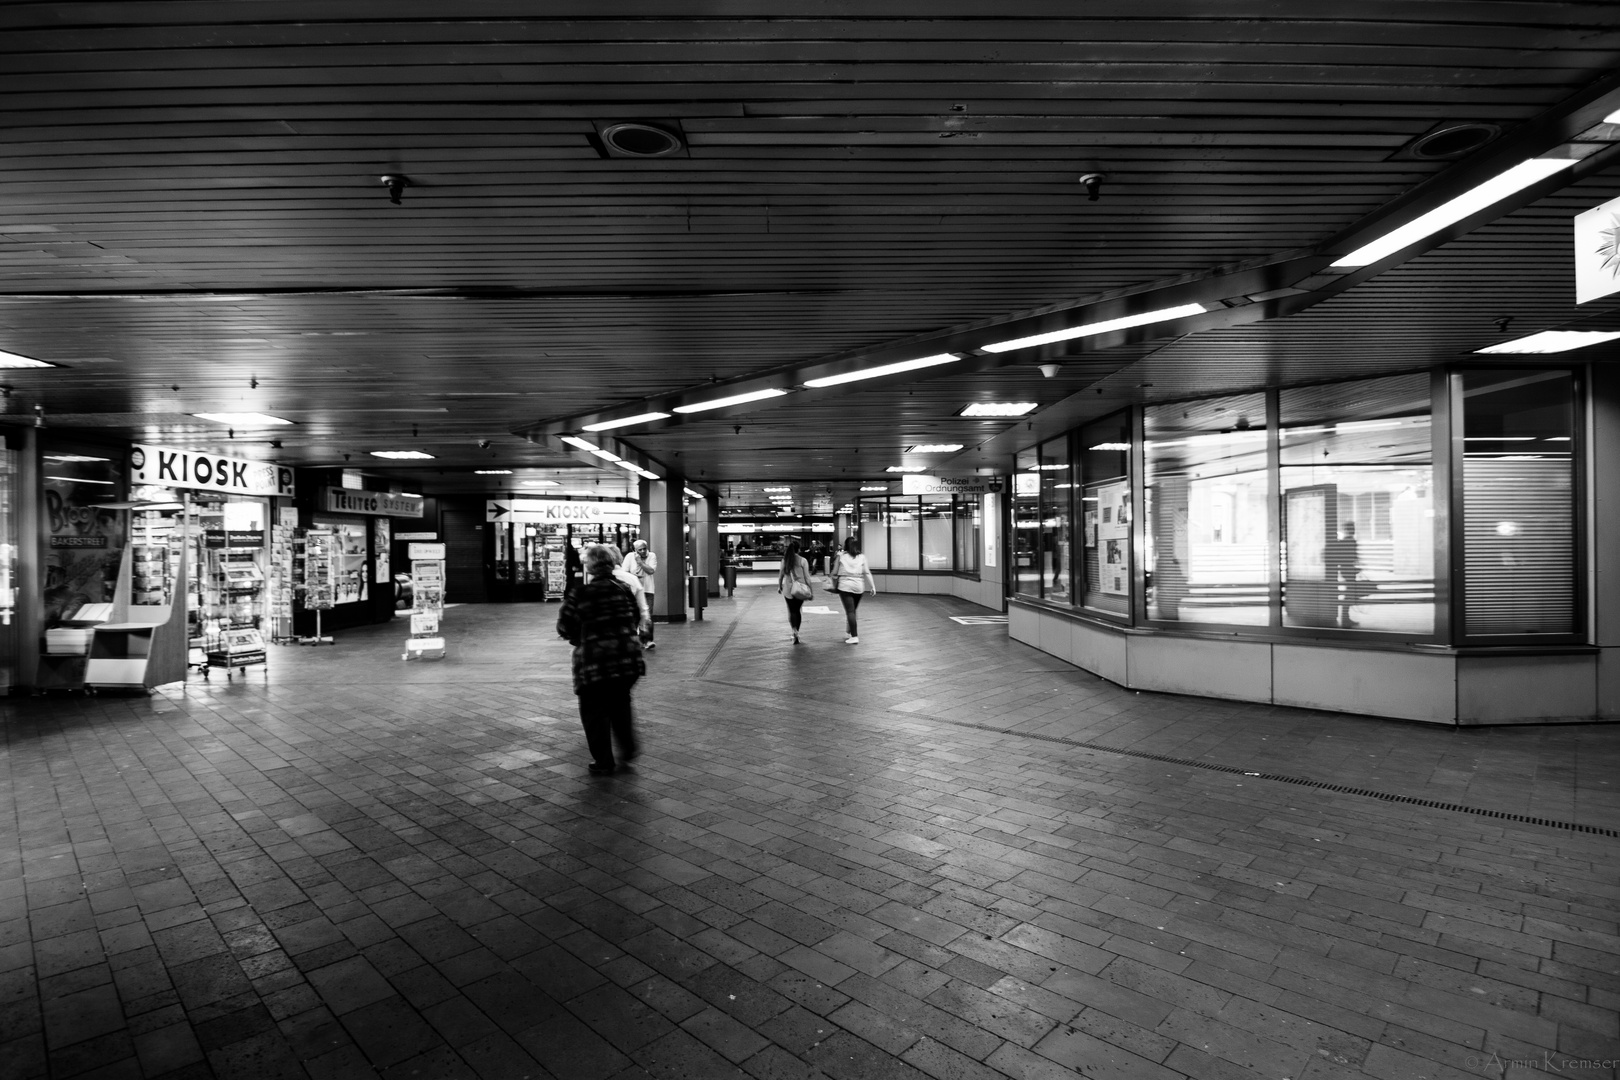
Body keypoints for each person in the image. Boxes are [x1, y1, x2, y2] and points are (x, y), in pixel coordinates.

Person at [556, 544, 644, 775]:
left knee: (594, 711)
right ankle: (628, 747)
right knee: (620, 702)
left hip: (595, 662)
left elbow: (564, 626)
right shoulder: (624, 589)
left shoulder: (580, 593)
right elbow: (635, 617)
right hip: (627, 659)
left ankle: (604, 761)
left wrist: (580, 636)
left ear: (590, 567)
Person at [828, 536, 878, 644]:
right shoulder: (862, 557)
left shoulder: (841, 556)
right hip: (859, 586)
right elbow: (867, 572)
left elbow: (835, 571)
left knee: (850, 611)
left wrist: (831, 579)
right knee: (853, 611)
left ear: (846, 545)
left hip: (845, 586)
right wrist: (873, 586)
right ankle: (849, 632)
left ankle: (854, 636)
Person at [606, 545, 652, 639]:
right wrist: (644, 629)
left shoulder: (594, 582)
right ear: (619, 558)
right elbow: (642, 608)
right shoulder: (631, 579)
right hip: (627, 628)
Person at [776, 539, 815, 644]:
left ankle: (794, 631)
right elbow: (807, 577)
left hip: (788, 590)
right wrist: (811, 590)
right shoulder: (803, 561)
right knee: (797, 610)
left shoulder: (785, 560)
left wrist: (780, 586)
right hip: (800, 590)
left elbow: (780, 576)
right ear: (799, 550)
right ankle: (797, 631)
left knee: (791, 610)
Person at [623, 538, 658, 648]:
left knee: (647, 616)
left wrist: (640, 562)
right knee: (633, 616)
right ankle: (634, 639)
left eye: (644, 549)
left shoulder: (651, 556)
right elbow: (624, 572)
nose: (643, 551)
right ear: (635, 550)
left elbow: (651, 571)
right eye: (640, 550)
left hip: (648, 590)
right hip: (633, 590)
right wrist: (634, 577)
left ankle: (647, 640)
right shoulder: (629, 557)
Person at [1327, 521, 1363, 627]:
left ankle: (1345, 618)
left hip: (1346, 570)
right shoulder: (1350, 541)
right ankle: (1345, 618)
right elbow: (1352, 557)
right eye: (1352, 528)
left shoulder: (1343, 542)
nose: (1353, 529)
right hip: (1349, 571)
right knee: (1349, 594)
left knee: (1349, 594)